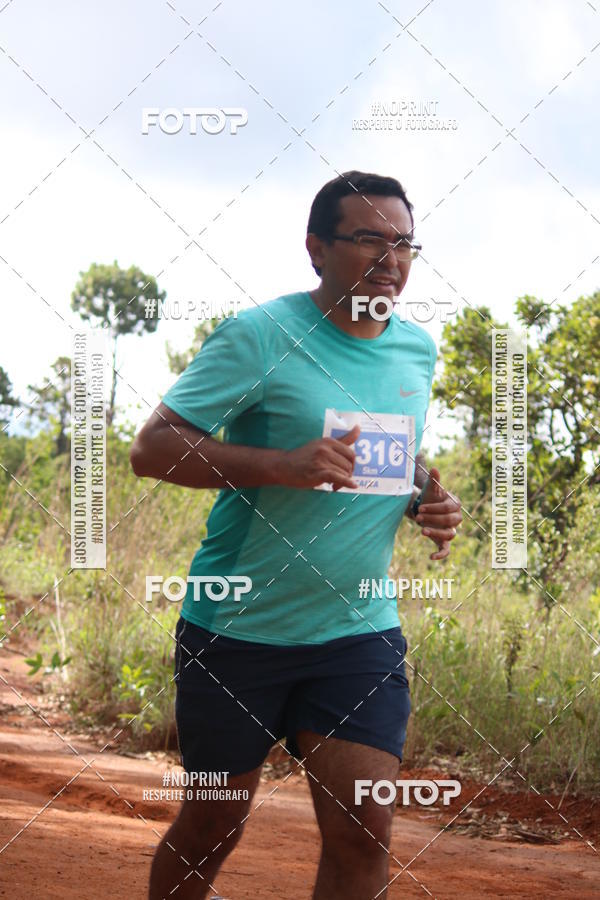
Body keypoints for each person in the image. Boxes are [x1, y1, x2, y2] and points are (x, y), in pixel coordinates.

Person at [131, 170, 462, 899]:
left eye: (405, 242)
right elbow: (151, 449)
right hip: (239, 630)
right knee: (212, 827)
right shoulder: (260, 337)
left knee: (364, 830)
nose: (391, 258)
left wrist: (421, 500)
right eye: (369, 238)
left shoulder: (417, 351)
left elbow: (384, 458)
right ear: (316, 248)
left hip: (355, 630)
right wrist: (278, 465)